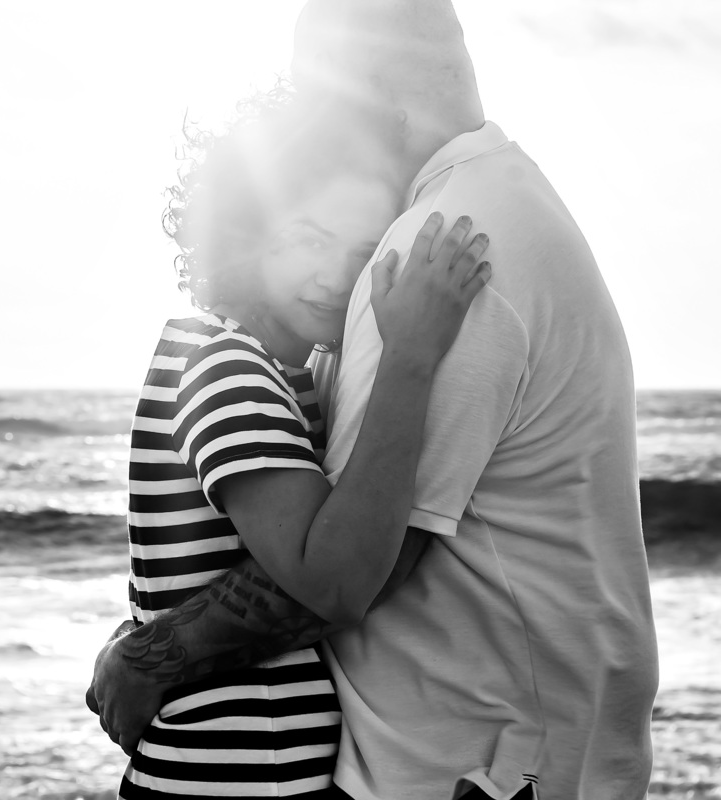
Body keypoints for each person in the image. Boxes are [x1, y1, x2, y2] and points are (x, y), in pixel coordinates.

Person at [87, 2, 659, 799]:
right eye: (309, 239)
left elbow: (360, 565)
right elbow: (333, 547)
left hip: (482, 771)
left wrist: (156, 653)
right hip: (281, 772)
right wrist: (154, 642)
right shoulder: (478, 214)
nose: (309, 125)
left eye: (313, 94)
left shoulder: (443, 245)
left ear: (361, 93)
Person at [95, 86, 492, 798]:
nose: (338, 279)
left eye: (365, 252)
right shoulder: (227, 366)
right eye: (309, 238)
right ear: (245, 233)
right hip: (236, 780)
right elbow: (333, 580)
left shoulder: (263, 363)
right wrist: (409, 356)